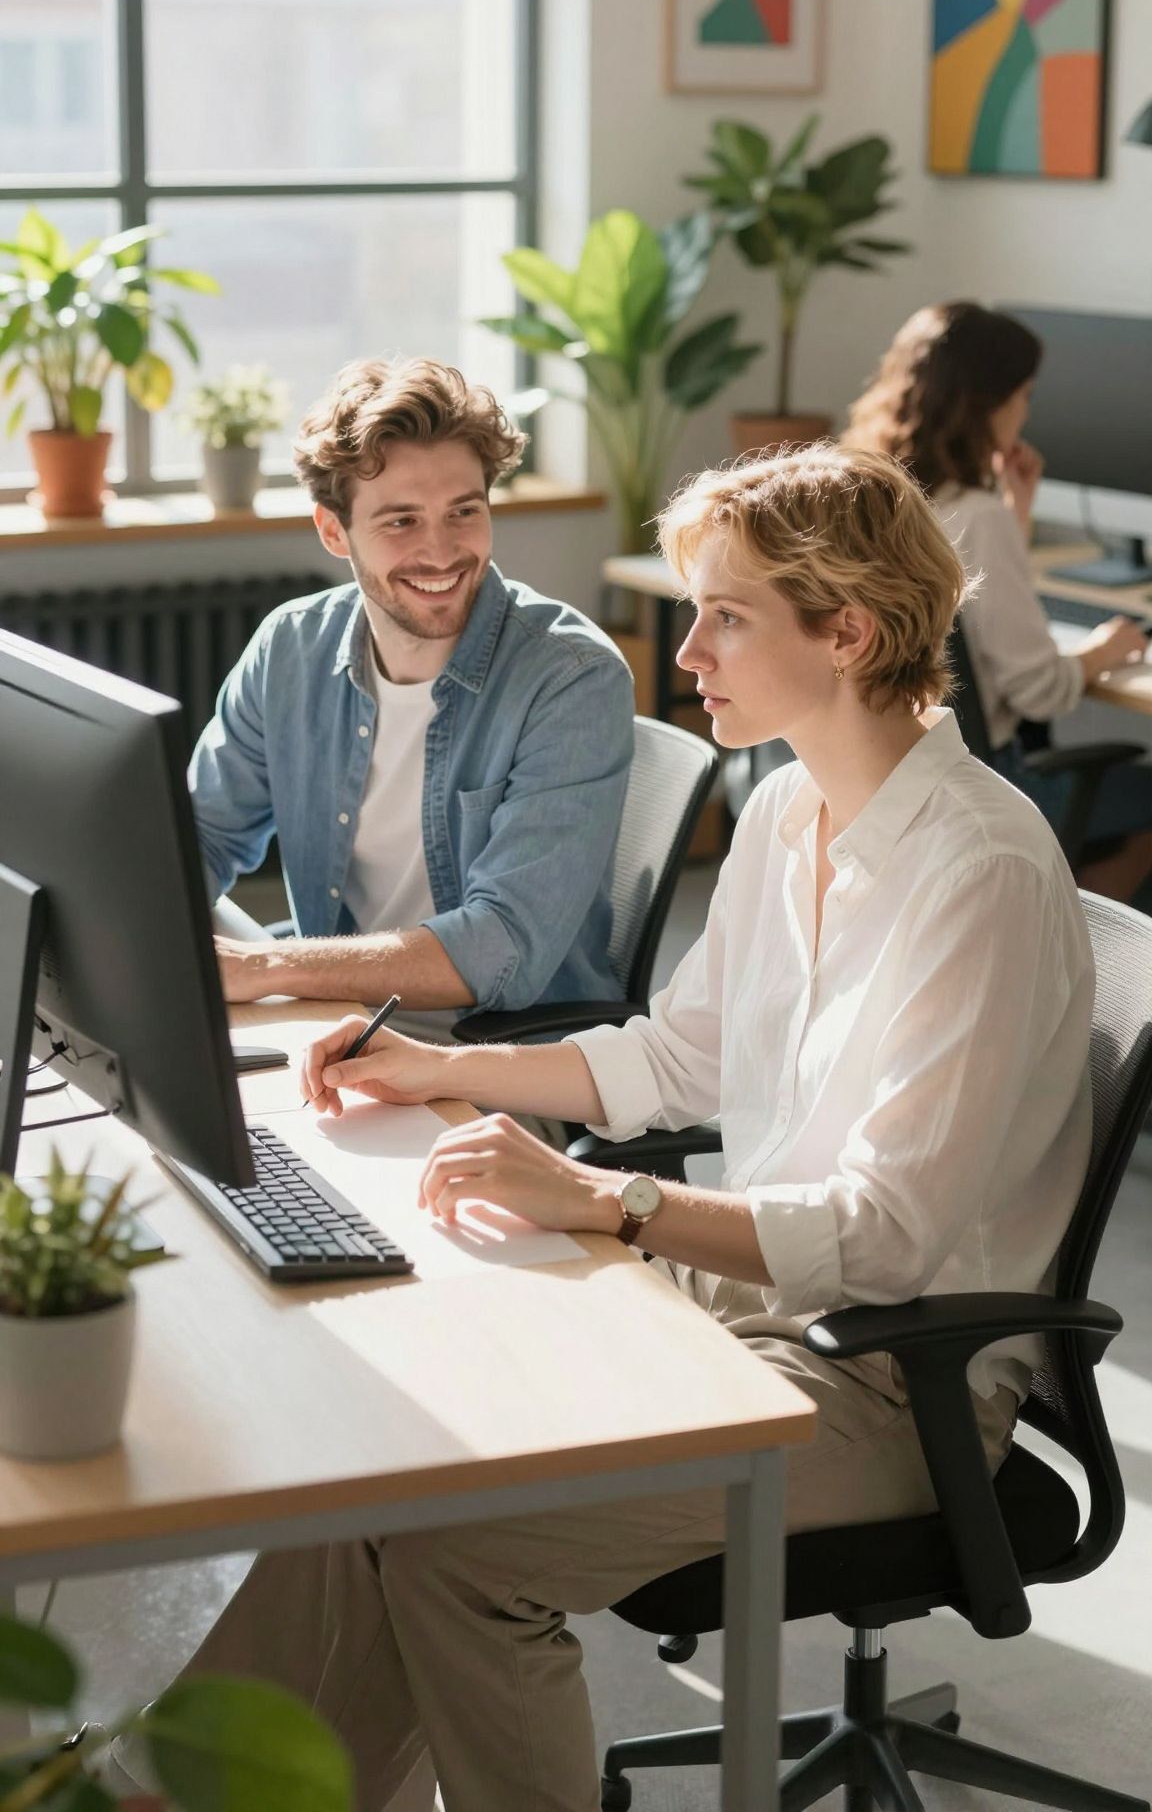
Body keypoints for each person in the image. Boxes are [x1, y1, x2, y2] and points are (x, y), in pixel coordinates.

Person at [110, 444, 1093, 1812]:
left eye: (727, 615)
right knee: (384, 1457)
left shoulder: (973, 872)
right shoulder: (797, 804)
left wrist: (610, 1208)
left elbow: (882, 1240)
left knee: (466, 1558)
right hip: (745, 1296)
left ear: (849, 632)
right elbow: (677, 1057)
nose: (687, 651)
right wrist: (430, 1066)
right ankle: (183, 1790)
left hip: (890, 1381)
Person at [190, 356, 635, 1027]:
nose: (442, 551)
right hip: (338, 1029)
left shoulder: (570, 678)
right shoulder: (290, 648)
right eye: (401, 521)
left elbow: (502, 946)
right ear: (333, 531)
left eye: (464, 511)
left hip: (499, 1062)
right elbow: (195, 837)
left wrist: (266, 969)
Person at [844, 300, 1152, 899]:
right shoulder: (977, 517)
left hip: (894, 775)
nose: (1027, 412)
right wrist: (1101, 650)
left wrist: (1018, 518)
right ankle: (1089, 952)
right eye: (1024, 395)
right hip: (984, 784)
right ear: (985, 404)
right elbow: (1036, 688)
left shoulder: (872, 497)